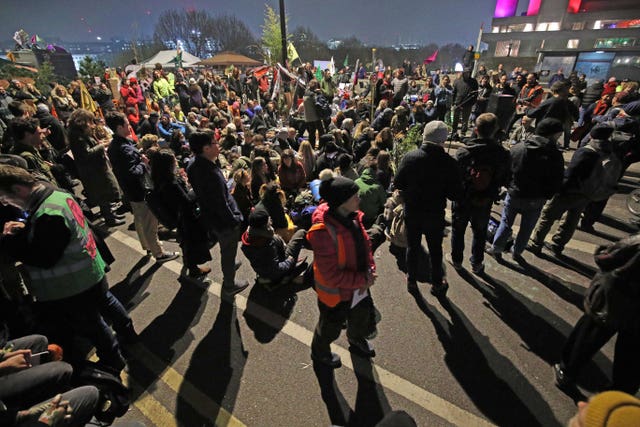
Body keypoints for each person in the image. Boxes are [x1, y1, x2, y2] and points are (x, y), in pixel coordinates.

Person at [0, 165, 128, 373]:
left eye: (5, 197)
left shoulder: (47, 214)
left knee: (93, 326)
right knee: (106, 304)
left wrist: (8, 239)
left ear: (18, 189)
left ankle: (113, 360)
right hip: (89, 270)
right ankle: (128, 333)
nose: (5, 203)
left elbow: (44, 258)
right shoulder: (54, 194)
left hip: (74, 284)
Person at [306, 170, 377, 368]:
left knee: (359, 318)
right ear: (341, 201)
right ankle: (319, 352)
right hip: (336, 294)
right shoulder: (322, 232)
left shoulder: (352, 216)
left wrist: (370, 267)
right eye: (354, 195)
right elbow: (331, 275)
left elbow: (364, 245)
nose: (359, 197)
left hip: (358, 285)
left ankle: (355, 339)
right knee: (329, 328)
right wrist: (363, 280)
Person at [528, 123, 622, 256]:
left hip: (569, 191)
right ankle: (557, 245)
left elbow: (571, 173)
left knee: (547, 216)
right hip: (587, 193)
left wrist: (558, 189)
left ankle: (536, 243)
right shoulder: (609, 152)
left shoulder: (586, 151)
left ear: (592, 135)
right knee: (571, 220)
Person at [394, 121, 464, 295]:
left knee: (413, 246)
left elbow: (398, 183)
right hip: (434, 213)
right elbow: (455, 194)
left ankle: (411, 279)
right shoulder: (449, 162)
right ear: (443, 140)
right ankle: (437, 282)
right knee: (435, 248)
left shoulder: (410, 157)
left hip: (413, 210)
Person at [486, 118, 565, 262]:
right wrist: (547, 195)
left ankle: (496, 248)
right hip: (536, 198)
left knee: (506, 222)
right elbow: (557, 180)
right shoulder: (555, 155)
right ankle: (517, 252)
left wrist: (508, 186)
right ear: (552, 134)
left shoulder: (519, 148)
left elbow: (506, 171)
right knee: (526, 228)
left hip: (515, 193)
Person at [106, 111, 178, 262]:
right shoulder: (123, 148)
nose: (129, 126)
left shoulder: (116, 145)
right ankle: (158, 253)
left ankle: (147, 245)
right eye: (126, 124)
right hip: (139, 190)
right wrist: (143, 162)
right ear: (119, 127)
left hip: (130, 191)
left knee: (140, 220)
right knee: (149, 222)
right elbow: (133, 172)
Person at [186, 130, 249, 296]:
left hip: (211, 217)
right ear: (206, 148)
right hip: (224, 220)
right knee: (228, 248)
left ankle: (229, 262)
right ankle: (229, 283)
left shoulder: (193, 164)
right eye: (215, 143)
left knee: (226, 246)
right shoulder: (210, 173)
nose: (218, 146)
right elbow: (220, 203)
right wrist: (234, 219)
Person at [448, 113, 510, 275]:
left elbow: (455, 177)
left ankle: (457, 260)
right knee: (480, 232)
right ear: (495, 130)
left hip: (463, 199)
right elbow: (505, 179)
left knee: (458, 230)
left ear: (476, 129)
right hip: (485, 199)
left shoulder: (463, 152)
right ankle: (476, 262)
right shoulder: (501, 154)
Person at [148, 149, 212, 282]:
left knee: (185, 241)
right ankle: (193, 269)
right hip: (186, 218)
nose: (176, 162)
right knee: (192, 242)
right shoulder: (171, 183)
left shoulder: (159, 179)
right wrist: (195, 190)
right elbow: (186, 201)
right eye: (173, 161)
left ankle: (188, 263)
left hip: (177, 217)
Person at [67, 109, 124, 227]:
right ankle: (110, 219)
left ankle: (112, 215)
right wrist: (101, 146)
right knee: (102, 194)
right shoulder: (77, 136)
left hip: (97, 168)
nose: (91, 124)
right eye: (89, 121)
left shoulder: (80, 133)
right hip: (92, 171)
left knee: (106, 192)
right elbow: (86, 154)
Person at [240, 208, 308, 290]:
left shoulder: (247, 238)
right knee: (301, 232)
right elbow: (276, 269)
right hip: (276, 271)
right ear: (264, 225)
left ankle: (269, 278)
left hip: (262, 271)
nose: (270, 219)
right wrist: (289, 261)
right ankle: (283, 277)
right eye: (268, 218)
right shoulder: (267, 244)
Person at [450, 68, 478, 140]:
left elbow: (475, 93)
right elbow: (454, 93)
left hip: (468, 104)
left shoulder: (473, 82)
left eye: (468, 72)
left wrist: (472, 102)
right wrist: (453, 102)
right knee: (455, 119)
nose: (467, 74)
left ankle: (463, 133)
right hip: (458, 103)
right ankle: (454, 132)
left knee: (465, 120)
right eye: (465, 73)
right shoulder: (457, 81)